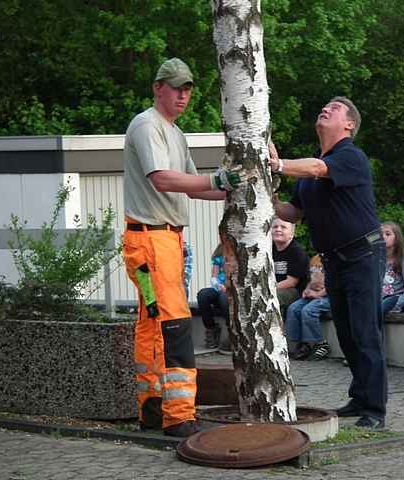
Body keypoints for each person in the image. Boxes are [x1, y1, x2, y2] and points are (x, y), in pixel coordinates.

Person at [121, 57, 244, 438]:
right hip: (152, 243)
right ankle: (178, 416)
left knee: (152, 323)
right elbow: (163, 179)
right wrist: (215, 179)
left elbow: (193, 184)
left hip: (161, 242)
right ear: (158, 88)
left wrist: (230, 189)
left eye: (188, 89)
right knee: (174, 324)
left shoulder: (174, 132)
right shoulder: (147, 126)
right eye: (176, 87)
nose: (183, 95)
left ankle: (152, 407)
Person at [270, 96, 387, 430]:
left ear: (349, 124)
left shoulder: (348, 155)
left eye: (336, 108)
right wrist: (270, 198)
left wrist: (279, 165)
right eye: (325, 106)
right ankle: (360, 396)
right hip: (336, 260)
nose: (326, 108)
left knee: (365, 332)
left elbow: (318, 169)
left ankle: (375, 410)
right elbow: (294, 212)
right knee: (348, 335)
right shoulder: (311, 172)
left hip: (363, 255)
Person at [286, 254, 332, 361]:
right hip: (313, 294)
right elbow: (312, 280)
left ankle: (321, 344)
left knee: (309, 310)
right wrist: (307, 290)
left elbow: (334, 284)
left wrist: (318, 295)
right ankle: (303, 343)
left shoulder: (334, 258)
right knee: (293, 309)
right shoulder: (315, 259)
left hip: (329, 296)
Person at [271, 216, 310, 318]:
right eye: (275, 227)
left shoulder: (297, 252)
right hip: (275, 287)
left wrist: (268, 289)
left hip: (295, 291)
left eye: (283, 227)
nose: (278, 229)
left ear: (291, 234)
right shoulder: (268, 249)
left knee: (272, 298)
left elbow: (291, 282)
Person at [196, 245, 228, 350]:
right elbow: (214, 277)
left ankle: (232, 331)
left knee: (223, 298)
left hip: (232, 290)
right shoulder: (220, 254)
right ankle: (211, 328)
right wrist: (218, 285)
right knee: (203, 295)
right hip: (220, 288)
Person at [381, 221, 404, 315]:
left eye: (387, 234)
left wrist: (397, 305)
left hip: (395, 298)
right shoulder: (377, 261)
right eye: (380, 234)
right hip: (380, 299)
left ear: (396, 239)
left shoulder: (403, 261)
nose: (383, 236)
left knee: (379, 310)